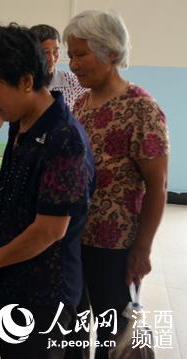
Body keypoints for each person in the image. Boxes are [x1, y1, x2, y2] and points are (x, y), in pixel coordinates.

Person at [0, 24, 95, 358]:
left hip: (44, 292)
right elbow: (13, 194)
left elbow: (49, 230)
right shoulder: (20, 124)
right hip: (15, 277)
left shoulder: (63, 139)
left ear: (25, 81)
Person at [64, 10, 169, 358]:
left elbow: (158, 184)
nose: (73, 64)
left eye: (80, 54)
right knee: (73, 325)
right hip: (75, 235)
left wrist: (142, 249)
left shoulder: (141, 107)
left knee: (113, 333)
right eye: (70, 54)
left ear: (109, 52)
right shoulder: (80, 103)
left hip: (116, 244)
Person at [0, 24, 86, 159]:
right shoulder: (16, 127)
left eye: (55, 52)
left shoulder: (65, 138)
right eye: (45, 52)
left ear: (27, 82)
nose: (51, 58)